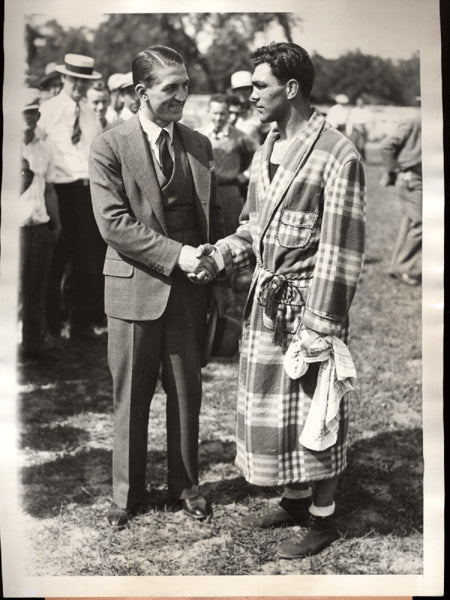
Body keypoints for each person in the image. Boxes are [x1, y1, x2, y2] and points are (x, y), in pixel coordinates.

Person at [195, 42, 366, 559]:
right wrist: (221, 253)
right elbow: (252, 226)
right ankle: (295, 499)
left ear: (291, 89)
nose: (251, 96)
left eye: (259, 86)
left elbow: (342, 250)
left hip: (309, 307)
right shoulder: (268, 144)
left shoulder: (339, 154)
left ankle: (324, 517)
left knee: (318, 412)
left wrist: (321, 326)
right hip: (265, 305)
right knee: (279, 413)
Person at [89, 45, 226, 527]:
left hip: (189, 290)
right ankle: (125, 498)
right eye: (171, 88)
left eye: (185, 86)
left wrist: (213, 260)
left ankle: (186, 486)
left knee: (187, 390)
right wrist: (177, 255)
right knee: (132, 393)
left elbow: (215, 217)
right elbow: (114, 225)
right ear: (142, 92)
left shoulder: (199, 145)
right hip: (133, 289)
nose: (181, 96)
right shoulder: (110, 145)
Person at [38, 53, 106, 341]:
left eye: (84, 81)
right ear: (64, 78)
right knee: (55, 260)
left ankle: (80, 324)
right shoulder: (47, 110)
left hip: (86, 191)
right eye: (74, 79)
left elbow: (98, 154)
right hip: (58, 192)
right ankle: (50, 325)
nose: (78, 85)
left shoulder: (90, 115)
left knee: (86, 260)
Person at [18, 88, 61, 360]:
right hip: (15, 230)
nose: (30, 118)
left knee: (37, 287)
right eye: (25, 112)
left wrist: (56, 224)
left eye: (34, 112)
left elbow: (49, 189)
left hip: (40, 226)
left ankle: (33, 345)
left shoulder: (45, 148)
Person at [199, 94, 255, 236]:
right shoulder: (198, 135)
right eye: (215, 113)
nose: (219, 118)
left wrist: (245, 175)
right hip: (205, 192)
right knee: (205, 232)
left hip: (230, 191)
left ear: (228, 114)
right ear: (208, 112)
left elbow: (259, 154)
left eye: (223, 114)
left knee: (230, 233)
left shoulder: (239, 136)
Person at [380, 104, 422, 286]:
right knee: (421, 224)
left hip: (418, 180)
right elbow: (387, 146)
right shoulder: (415, 121)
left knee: (410, 222)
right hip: (412, 180)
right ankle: (403, 267)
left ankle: (397, 266)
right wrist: (393, 170)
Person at [229, 70, 269, 146]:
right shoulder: (228, 113)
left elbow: (267, 138)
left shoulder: (260, 112)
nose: (242, 92)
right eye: (238, 90)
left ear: (252, 89)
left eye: (245, 89)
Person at [345, 96, 369, 160]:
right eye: (359, 102)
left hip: (362, 128)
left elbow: (365, 121)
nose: (360, 104)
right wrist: (358, 128)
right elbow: (353, 121)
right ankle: (355, 158)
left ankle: (363, 159)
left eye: (361, 102)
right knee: (355, 145)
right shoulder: (354, 110)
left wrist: (364, 129)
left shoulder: (364, 110)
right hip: (356, 129)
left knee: (362, 146)